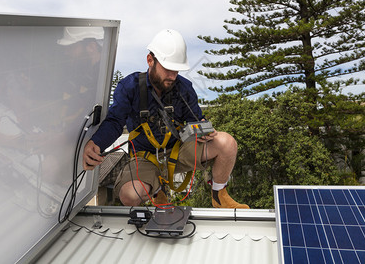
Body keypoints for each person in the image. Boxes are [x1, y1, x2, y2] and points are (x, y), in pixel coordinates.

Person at [82, 29, 249, 209]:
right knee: (129, 195)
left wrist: (203, 130)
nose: (172, 76)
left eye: (176, 70)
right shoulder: (129, 87)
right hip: (145, 158)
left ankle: (219, 195)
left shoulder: (184, 88)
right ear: (150, 60)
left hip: (178, 152)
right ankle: (157, 191)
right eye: (167, 69)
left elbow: (196, 119)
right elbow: (115, 122)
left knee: (227, 143)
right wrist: (96, 143)